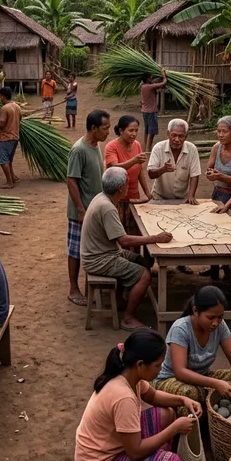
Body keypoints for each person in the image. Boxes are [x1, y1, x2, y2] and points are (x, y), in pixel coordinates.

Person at [74, 330, 203, 461]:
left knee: (166, 413)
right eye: (157, 365)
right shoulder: (123, 396)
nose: (160, 370)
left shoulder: (128, 375)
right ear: (141, 364)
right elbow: (134, 452)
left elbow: (153, 395)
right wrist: (175, 429)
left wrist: (182, 400)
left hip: (107, 454)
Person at [81, 167, 173, 331]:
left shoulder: (102, 197)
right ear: (120, 188)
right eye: (126, 183)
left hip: (105, 252)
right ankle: (128, 318)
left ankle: (120, 299)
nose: (129, 185)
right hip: (99, 259)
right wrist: (155, 238)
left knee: (143, 260)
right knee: (144, 275)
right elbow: (123, 240)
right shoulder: (107, 207)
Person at [152, 286, 231, 411]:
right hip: (169, 379)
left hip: (201, 377)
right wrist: (215, 384)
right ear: (196, 311)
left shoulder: (220, 326)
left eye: (220, 317)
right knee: (191, 394)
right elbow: (180, 372)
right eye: (211, 317)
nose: (216, 322)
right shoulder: (180, 329)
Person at [66, 109, 110, 306]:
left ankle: (90, 286)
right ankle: (73, 289)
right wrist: (81, 209)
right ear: (93, 129)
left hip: (93, 209)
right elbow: (71, 181)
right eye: (105, 128)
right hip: (81, 212)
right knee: (75, 250)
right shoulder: (79, 150)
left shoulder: (96, 146)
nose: (108, 131)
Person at [104, 115, 151, 226]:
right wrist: (133, 160)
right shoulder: (111, 147)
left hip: (134, 196)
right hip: (117, 198)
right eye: (130, 130)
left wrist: (148, 193)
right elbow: (113, 168)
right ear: (121, 130)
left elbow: (140, 172)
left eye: (136, 130)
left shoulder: (137, 145)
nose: (134, 134)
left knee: (134, 228)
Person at [147, 119, 201, 203]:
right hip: (159, 198)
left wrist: (191, 196)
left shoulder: (192, 149)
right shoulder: (158, 147)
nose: (177, 139)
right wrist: (163, 169)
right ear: (168, 134)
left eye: (181, 136)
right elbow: (151, 174)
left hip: (182, 198)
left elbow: (194, 175)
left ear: (186, 136)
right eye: (173, 135)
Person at [0, 86, 22, 188]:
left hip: (6, 138)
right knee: (8, 160)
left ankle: (9, 183)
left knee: (2, 160)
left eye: (0, 96)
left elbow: (1, 123)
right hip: (15, 137)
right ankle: (12, 177)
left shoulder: (4, 108)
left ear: (3, 96)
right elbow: (20, 118)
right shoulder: (16, 106)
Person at [140, 68, 167, 151]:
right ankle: (148, 149)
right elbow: (164, 83)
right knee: (151, 132)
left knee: (147, 130)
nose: (152, 78)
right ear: (147, 78)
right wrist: (163, 74)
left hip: (145, 111)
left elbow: (157, 86)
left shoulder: (143, 87)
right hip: (151, 112)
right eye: (151, 77)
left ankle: (146, 147)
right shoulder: (149, 87)